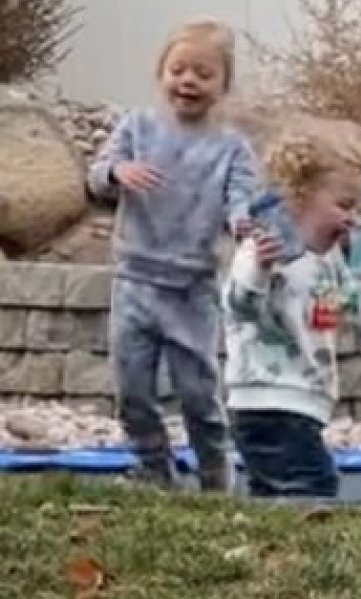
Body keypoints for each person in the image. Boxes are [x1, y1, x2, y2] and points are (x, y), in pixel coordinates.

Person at [86, 16, 256, 492]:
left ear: (223, 84)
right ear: (162, 73)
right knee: (133, 388)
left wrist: (242, 221)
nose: (189, 81)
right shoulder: (137, 127)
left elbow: (240, 199)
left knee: (199, 393)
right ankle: (152, 468)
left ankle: (214, 475)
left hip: (191, 288)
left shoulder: (232, 148)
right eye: (179, 69)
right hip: (135, 280)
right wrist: (118, 173)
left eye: (204, 74)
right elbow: (96, 175)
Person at [223, 133, 361, 498]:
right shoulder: (263, 249)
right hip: (266, 400)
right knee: (314, 485)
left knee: (276, 490)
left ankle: (269, 547)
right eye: (343, 205)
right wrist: (259, 269)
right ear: (300, 197)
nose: (352, 219)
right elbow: (239, 305)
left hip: (301, 403)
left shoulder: (329, 259)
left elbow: (357, 304)